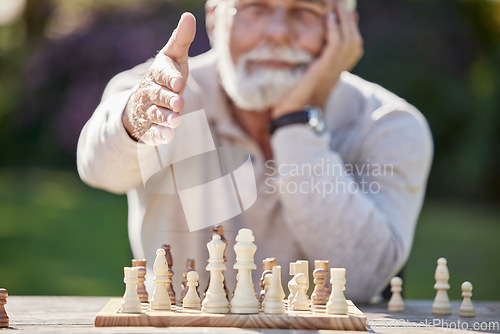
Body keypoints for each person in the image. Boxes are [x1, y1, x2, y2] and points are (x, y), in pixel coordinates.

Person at [77, 0, 433, 302]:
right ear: (215, 19)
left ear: (345, 29)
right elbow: (97, 168)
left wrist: (295, 121)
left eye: (305, 10)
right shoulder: (167, 92)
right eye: (255, 7)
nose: (278, 32)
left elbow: (365, 276)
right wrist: (137, 116)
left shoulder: (390, 125)